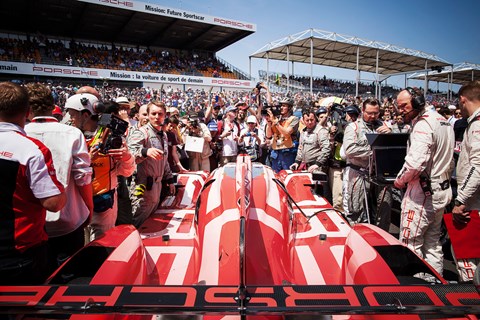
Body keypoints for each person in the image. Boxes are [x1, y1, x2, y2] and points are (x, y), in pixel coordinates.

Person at [0, 81, 66, 284]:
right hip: (19, 251)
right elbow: (53, 202)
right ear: (28, 112)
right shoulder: (31, 150)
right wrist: (61, 188)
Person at [25, 83, 93, 267]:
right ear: (51, 105)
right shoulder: (73, 133)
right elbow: (83, 177)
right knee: (68, 275)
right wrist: (89, 207)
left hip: (32, 222)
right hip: (69, 218)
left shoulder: (20, 133)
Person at [394, 87, 454, 280]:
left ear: (419, 102)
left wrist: (399, 181)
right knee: (433, 243)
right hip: (440, 191)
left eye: (404, 105)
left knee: (410, 244)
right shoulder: (443, 121)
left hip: (421, 195)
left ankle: (415, 291)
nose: (400, 110)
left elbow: (415, 163)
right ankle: (434, 284)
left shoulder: (423, 124)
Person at [65, 93, 135, 240]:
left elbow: (127, 172)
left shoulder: (110, 136)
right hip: (76, 204)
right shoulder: (69, 135)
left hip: (102, 204)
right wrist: (86, 159)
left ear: (85, 115)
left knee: (99, 248)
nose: (70, 119)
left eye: (73, 115)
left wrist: (126, 157)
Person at [343, 98, 392, 228]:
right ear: (362, 110)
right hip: (359, 173)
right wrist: (375, 150)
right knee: (357, 209)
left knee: (384, 210)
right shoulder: (353, 127)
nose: (372, 116)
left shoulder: (384, 126)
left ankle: (381, 240)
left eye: (376, 113)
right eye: (369, 113)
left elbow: (395, 146)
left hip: (380, 174)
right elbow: (350, 150)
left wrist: (389, 136)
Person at [127, 101, 176, 228]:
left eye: (160, 114)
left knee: (151, 223)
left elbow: (163, 159)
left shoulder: (163, 135)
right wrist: (145, 151)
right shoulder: (141, 132)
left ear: (165, 116)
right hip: (143, 186)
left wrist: (170, 179)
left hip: (157, 186)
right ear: (148, 115)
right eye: (153, 113)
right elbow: (129, 155)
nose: (156, 117)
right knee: (138, 221)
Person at [451, 81, 480, 282]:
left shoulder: (477, 124)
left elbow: (478, 166)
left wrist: (461, 200)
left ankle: (471, 305)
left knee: (466, 257)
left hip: (473, 203)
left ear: (463, 100)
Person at [290, 108, 330, 174]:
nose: (310, 122)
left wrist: (318, 164)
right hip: (307, 166)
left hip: (318, 167)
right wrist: (297, 162)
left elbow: (326, 149)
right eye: (307, 120)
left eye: (311, 120)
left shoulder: (320, 131)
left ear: (315, 119)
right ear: (303, 120)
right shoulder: (303, 131)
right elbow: (300, 148)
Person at [265, 98, 299, 172]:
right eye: (280, 106)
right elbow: (268, 136)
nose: (281, 108)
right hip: (276, 153)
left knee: (287, 174)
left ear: (289, 107)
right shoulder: (275, 118)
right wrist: (269, 123)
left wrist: (276, 123)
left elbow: (287, 133)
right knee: (275, 176)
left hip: (288, 152)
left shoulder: (294, 119)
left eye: (284, 106)